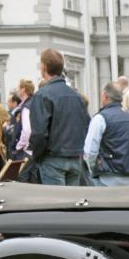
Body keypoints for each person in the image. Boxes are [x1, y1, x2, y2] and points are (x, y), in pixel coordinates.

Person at [28, 48, 92, 186]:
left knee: (56, 203)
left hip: (53, 159)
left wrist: (37, 156)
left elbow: (39, 133)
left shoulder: (43, 95)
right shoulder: (77, 96)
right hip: (74, 157)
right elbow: (86, 125)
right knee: (72, 203)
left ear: (43, 67)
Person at [83, 82, 129, 187]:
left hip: (108, 177)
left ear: (105, 96)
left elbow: (90, 151)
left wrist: (94, 169)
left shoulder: (100, 118)